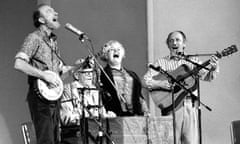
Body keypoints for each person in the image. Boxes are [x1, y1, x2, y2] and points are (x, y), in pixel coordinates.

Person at [142, 30, 219, 144]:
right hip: (171, 107)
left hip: (190, 106)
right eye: (171, 40)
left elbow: (208, 77)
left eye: (178, 40)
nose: (174, 42)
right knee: (172, 141)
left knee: (191, 141)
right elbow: (145, 80)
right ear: (168, 45)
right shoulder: (161, 62)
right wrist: (161, 84)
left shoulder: (193, 61)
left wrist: (214, 67)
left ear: (184, 44)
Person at [14, 4, 72, 144]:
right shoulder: (34, 38)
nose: (56, 12)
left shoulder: (53, 42)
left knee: (55, 140)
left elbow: (59, 74)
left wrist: (76, 67)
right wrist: (43, 75)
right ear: (41, 20)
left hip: (53, 97)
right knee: (46, 140)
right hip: (40, 98)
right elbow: (19, 63)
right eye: (49, 11)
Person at [60, 57, 116, 144]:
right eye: (86, 73)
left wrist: (108, 116)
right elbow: (65, 118)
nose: (90, 75)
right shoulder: (68, 90)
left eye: (91, 72)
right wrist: (86, 118)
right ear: (76, 75)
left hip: (94, 133)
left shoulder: (95, 91)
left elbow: (101, 113)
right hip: (74, 135)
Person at [100, 40, 149, 116]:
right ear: (106, 55)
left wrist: (145, 111)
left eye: (119, 49)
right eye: (112, 49)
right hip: (114, 117)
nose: (116, 51)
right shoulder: (102, 74)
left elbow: (139, 96)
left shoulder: (132, 75)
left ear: (123, 54)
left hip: (134, 116)